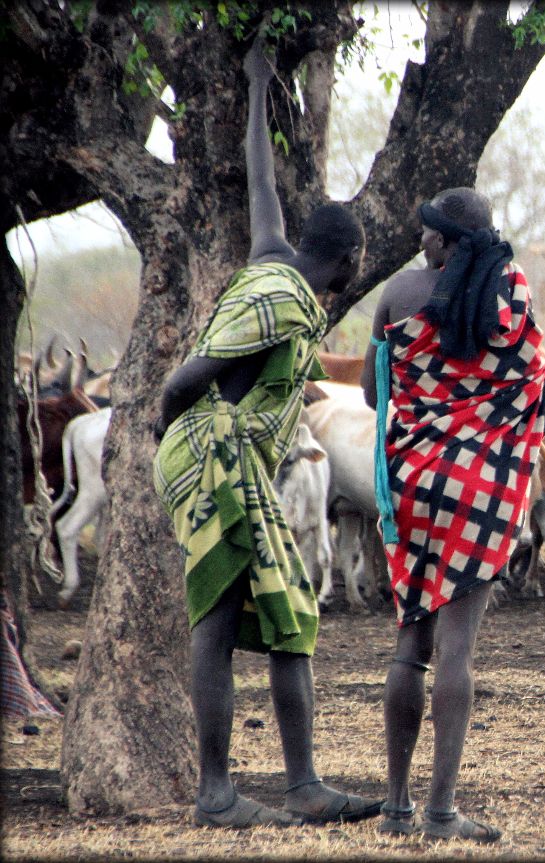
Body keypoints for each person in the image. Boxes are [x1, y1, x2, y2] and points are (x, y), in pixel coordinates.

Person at [151, 34, 381, 829]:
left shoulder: (273, 259)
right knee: (217, 612)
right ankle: (216, 793)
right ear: (348, 262)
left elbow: (261, 181)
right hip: (213, 449)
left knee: (290, 609)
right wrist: (173, 435)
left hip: (231, 454)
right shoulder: (286, 299)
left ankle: (304, 784)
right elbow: (185, 380)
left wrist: (256, 87)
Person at [361, 187, 545, 841]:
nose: (421, 240)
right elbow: (541, 384)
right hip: (480, 491)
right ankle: (441, 812)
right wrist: (506, 413)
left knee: (410, 642)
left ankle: (396, 808)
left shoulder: (398, 294)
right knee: (457, 650)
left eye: (429, 232)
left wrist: (433, 405)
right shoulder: (510, 293)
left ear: (447, 241)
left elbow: (372, 391)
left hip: (414, 484)